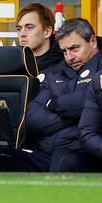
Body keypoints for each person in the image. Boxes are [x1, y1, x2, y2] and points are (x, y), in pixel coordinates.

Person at [26, 18, 102, 172]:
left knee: (64, 161)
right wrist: (73, 115)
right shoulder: (54, 73)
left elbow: (84, 101)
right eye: (64, 51)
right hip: (45, 150)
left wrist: (54, 105)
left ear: (92, 41)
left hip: (82, 151)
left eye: (74, 48)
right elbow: (31, 117)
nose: (69, 57)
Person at [16, 3, 64, 87]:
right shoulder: (14, 66)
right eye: (19, 29)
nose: (22, 34)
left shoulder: (66, 64)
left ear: (47, 32)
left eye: (29, 27)